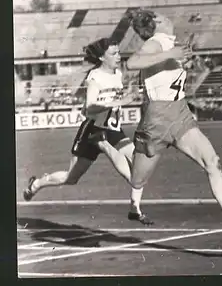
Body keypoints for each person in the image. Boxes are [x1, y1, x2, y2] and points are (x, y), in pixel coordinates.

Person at [125, 9, 222, 236]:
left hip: (180, 113)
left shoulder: (168, 43)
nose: (167, 17)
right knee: (138, 178)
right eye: (161, 16)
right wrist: (170, 55)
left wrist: (176, 55)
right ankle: (133, 203)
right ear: (155, 24)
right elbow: (131, 63)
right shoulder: (156, 43)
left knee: (212, 161)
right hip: (157, 118)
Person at [22, 38, 152, 225]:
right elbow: (89, 108)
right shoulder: (95, 77)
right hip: (93, 131)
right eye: (113, 53)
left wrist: (129, 96)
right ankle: (36, 184)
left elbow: (115, 95)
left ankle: (135, 209)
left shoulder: (117, 73)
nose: (118, 56)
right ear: (101, 57)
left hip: (113, 130)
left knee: (138, 164)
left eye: (118, 52)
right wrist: (118, 102)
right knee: (71, 178)